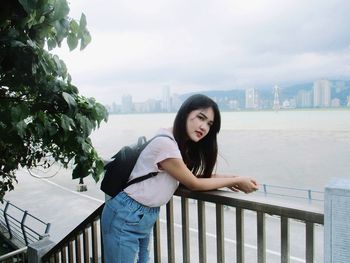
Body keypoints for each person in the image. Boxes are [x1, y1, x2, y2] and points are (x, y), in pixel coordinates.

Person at [101, 94, 259, 263]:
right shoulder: (166, 144)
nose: (204, 127)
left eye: (209, 124)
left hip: (141, 215)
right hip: (127, 214)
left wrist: (233, 177)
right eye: (201, 117)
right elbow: (193, 183)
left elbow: (188, 176)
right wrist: (234, 181)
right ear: (185, 113)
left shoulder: (172, 142)